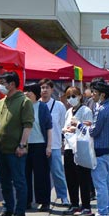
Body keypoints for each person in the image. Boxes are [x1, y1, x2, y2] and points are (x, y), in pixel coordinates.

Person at [0, 71, 34, 216]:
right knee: (4, 182)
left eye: (3, 82)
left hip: (16, 149)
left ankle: (20, 211)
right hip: (2, 149)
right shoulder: (1, 102)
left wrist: (22, 144)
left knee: (19, 181)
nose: (0, 86)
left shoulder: (24, 101)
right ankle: (7, 209)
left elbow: (27, 125)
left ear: (12, 84)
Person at [86, 79, 109, 216]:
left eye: (94, 92)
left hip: (100, 151)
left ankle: (102, 213)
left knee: (100, 185)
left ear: (102, 95)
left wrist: (80, 126)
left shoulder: (101, 109)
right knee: (107, 182)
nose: (92, 95)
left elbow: (93, 131)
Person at [61, 86, 95, 216]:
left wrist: (77, 126)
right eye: (68, 97)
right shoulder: (68, 111)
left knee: (83, 177)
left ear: (80, 96)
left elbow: (89, 129)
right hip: (69, 147)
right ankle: (74, 204)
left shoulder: (86, 110)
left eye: (73, 96)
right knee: (70, 177)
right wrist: (66, 130)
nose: (71, 99)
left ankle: (86, 206)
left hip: (81, 147)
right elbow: (64, 128)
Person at [23, 83, 53, 212]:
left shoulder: (42, 107)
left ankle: (44, 201)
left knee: (41, 175)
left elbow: (49, 127)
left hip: (40, 144)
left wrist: (49, 146)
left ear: (35, 93)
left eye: (29, 91)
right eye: (25, 91)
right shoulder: (23, 107)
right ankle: (26, 200)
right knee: (25, 174)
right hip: (25, 145)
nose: (26, 94)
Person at [40, 79, 70, 208]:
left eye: (47, 87)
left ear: (52, 89)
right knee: (41, 174)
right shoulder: (35, 104)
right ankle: (43, 200)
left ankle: (63, 196)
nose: (44, 90)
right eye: (42, 88)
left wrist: (64, 141)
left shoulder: (59, 106)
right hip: (39, 144)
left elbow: (64, 124)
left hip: (55, 144)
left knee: (57, 171)